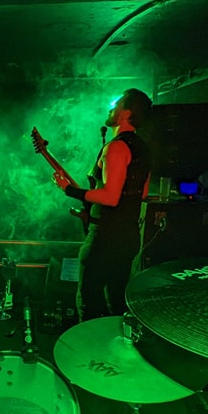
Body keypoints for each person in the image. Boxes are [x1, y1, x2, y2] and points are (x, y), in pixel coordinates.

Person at [53, 88, 152, 321]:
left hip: (105, 237)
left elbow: (111, 197)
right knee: (116, 302)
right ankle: (116, 343)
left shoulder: (116, 147)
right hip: (128, 236)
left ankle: (88, 345)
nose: (111, 108)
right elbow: (143, 193)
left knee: (88, 301)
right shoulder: (144, 149)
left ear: (125, 114)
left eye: (116, 105)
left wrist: (69, 190)